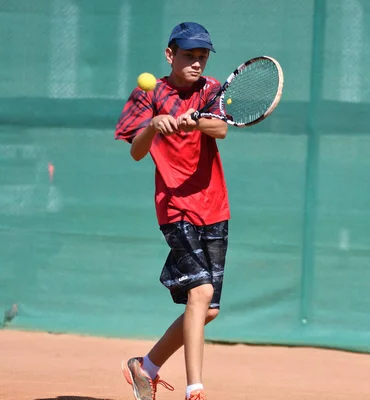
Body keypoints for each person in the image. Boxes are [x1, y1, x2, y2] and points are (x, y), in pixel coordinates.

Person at [114, 22, 230, 400]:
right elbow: (135, 151)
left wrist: (196, 119)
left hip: (214, 205)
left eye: (202, 57)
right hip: (175, 206)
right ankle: (195, 390)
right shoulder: (147, 95)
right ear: (170, 55)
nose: (196, 63)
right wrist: (153, 125)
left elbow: (221, 129)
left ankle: (144, 367)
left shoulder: (211, 90)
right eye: (189, 56)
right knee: (200, 292)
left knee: (207, 310)